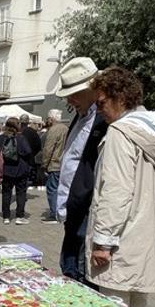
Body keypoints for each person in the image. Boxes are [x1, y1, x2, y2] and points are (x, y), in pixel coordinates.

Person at [85, 68, 155, 307]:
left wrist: (103, 242)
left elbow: (116, 191)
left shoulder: (119, 132)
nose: (99, 110)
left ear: (121, 98)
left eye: (102, 102)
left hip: (121, 242)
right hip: (148, 237)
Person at [54, 57, 106, 283]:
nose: (70, 99)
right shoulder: (80, 116)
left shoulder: (104, 120)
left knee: (82, 274)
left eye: (75, 94)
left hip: (88, 211)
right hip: (74, 212)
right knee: (70, 267)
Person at [0, 118, 34, 225]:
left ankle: (6, 216)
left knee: (6, 193)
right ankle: (19, 215)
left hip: (6, 170)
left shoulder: (2, 137)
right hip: (20, 169)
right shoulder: (20, 138)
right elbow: (28, 151)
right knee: (21, 193)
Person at [40, 109, 67, 223]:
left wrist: (44, 164)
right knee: (62, 189)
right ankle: (61, 211)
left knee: (52, 189)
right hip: (64, 163)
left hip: (54, 163)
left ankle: (54, 214)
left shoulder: (53, 130)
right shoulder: (66, 128)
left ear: (51, 119)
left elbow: (48, 149)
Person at [21, 120, 43, 189]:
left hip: (22, 156)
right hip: (31, 156)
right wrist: (33, 153)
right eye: (38, 125)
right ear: (34, 124)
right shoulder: (34, 133)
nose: (38, 127)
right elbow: (39, 145)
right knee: (29, 172)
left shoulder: (23, 131)